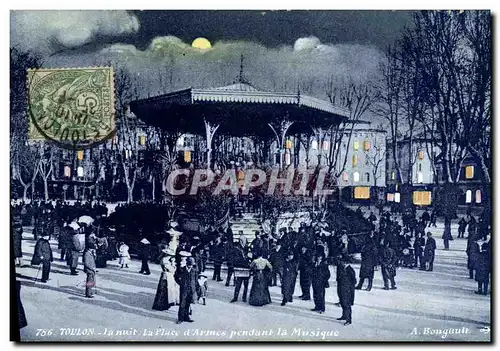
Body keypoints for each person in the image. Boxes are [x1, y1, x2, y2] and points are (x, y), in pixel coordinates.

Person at [174, 255, 197, 324]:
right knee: (182, 304)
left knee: (188, 304)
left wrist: (194, 288)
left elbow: (195, 280)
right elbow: (175, 276)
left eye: (192, 265)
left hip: (191, 289)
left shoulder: (194, 271)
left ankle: (186, 317)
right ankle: (180, 318)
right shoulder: (182, 269)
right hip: (184, 289)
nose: (191, 266)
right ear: (187, 263)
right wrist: (180, 283)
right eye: (190, 264)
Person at [336, 257, 356, 325]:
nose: (342, 263)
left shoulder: (350, 270)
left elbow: (354, 282)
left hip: (347, 291)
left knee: (347, 305)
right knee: (342, 303)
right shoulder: (342, 268)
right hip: (341, 288)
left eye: (343, 262)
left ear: (346, 262)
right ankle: (344, 316)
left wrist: (350, 291)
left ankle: (348, 320)